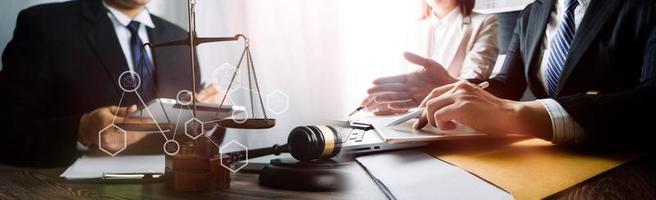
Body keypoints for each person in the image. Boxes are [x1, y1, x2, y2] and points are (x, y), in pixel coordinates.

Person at [364, 0, 656, 148]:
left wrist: (523, 116)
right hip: (543, 155)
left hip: (621, 158)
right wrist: (455, 86)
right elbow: (507, 84)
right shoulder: (533, 13)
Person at [0, 0, 224, 167]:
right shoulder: (45, 25)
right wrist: (81, 131)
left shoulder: (181, 39)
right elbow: (8, 133)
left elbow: (196, 142)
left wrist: (210, 117)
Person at [363, 0, 499, 115]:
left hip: (454, 116)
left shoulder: (484, 22)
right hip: (410, 117)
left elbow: (474, 80)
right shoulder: (412, 27)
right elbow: (401, 74)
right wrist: (391, 101)